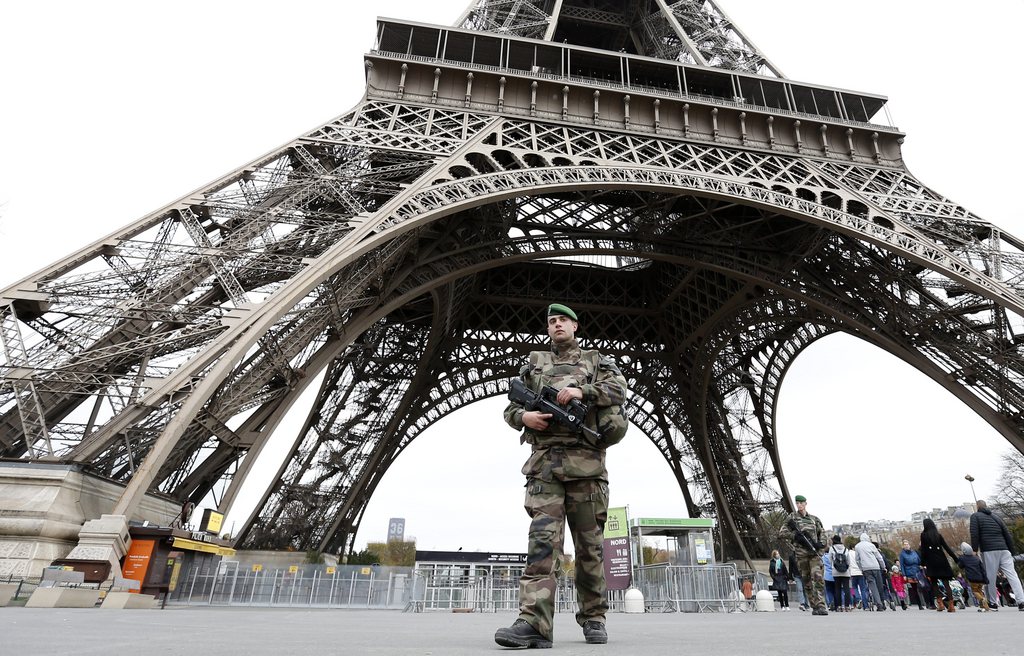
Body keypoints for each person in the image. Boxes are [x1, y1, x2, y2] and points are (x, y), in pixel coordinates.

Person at [495, 303, 628, 649]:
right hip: (545, 469)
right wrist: (524, 419)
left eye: (562, 320)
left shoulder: (598, 362)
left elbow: (619, 389)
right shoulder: (534, 364)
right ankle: (533, 622)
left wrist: (584, 392)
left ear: (575, 326)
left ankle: (594, 616)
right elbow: (509, 407)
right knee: (541, 547)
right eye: (552, 321)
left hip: (587, 470)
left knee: (590, 549)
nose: (556, 325)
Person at [969, 499, 1024, 611]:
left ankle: (993, 603)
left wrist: (974, 549)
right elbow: (1007, 534)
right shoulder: (996, 517)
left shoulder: (975, 516)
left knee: (990, 577)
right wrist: (1012, 551)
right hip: (1004, 549)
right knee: (1012, 576)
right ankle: (1021, 601)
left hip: (989, 550)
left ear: (977, 507)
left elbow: (974, 533)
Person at [781, 494, 828, 615]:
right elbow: (782, 532)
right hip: (801, 555)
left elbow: (822, 533)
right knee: (806, 580)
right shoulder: (792, 518)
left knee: (817, 577)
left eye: (801, 503)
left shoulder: (814, 519)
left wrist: (820, 546)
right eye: (797, 503)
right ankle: (814, 606)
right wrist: (794, 536)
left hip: (814, 554)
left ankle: (821, 605)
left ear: (805, 504)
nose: (799, 505)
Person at [920, 518, 959, 613]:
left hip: (931, 561)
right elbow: (947, 548)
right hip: (942, 560)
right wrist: (956, 559)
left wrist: (922, 563)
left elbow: (923, 550)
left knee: (934, 584)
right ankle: (951, 605)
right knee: (946, 583)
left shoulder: (923, 535)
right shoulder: (938, 535)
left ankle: (940, 604)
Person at [854, 533, 887, 611]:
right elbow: (879, 557)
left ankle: (879, 604)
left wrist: (861, 568)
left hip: (866, 568)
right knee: (880, 585)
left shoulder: (857, 546)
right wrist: (883, 566)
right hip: (876, 567)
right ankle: (882, 601)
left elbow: (857, 559)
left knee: (873, 586)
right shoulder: (871, 545)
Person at [957, 543, 990, 611]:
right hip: (980, 578)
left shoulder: (963, 558)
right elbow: (982, 569)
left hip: (972, 578)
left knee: (975, 591)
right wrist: (985, 579)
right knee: (980, 591)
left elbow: (960, 566)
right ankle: (983, 606)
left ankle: (982, 599)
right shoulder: (976, 558)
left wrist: (960, 559)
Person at [898, 540, 925, 610]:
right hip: (909, 572)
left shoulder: (914, 552)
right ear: (903, 546)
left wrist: (922, 566)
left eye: (907, 544)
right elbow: (902, 565)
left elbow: (919, 561)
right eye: (905, 544)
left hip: (917, 571)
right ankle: (919, 605)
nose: (906, 545)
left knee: (923, 586)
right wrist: (904, 575)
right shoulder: (902, 554)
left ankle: (926, 603)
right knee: (915, 589)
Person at [829, 535, 853, 612]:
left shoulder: (832, 549)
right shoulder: (845, 549)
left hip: (836, 571)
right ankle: (847, 606)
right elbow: (848, 561)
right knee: (846, 589)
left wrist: (834, 566)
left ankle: (839, 606)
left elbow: (830, 560)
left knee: (837, 589)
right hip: (845, 571)